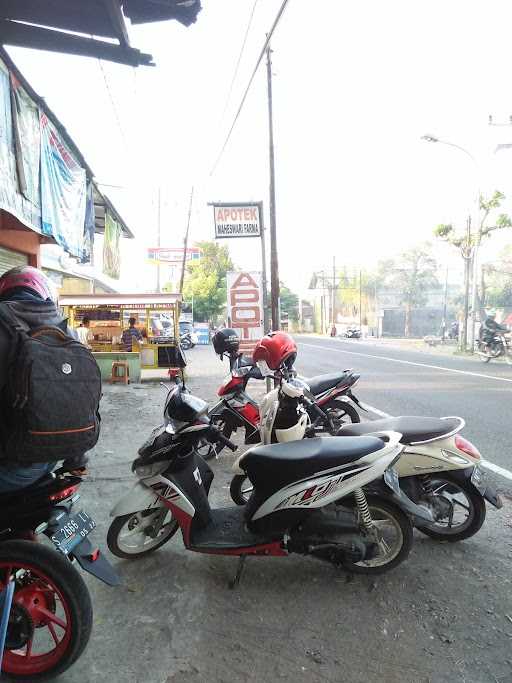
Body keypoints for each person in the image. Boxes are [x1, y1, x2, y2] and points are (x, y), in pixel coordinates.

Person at [0, 266, 88, 492]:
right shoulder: (67, 332)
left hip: (14, 464)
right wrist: (76, 459)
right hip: (56, 457)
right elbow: (81, 400)